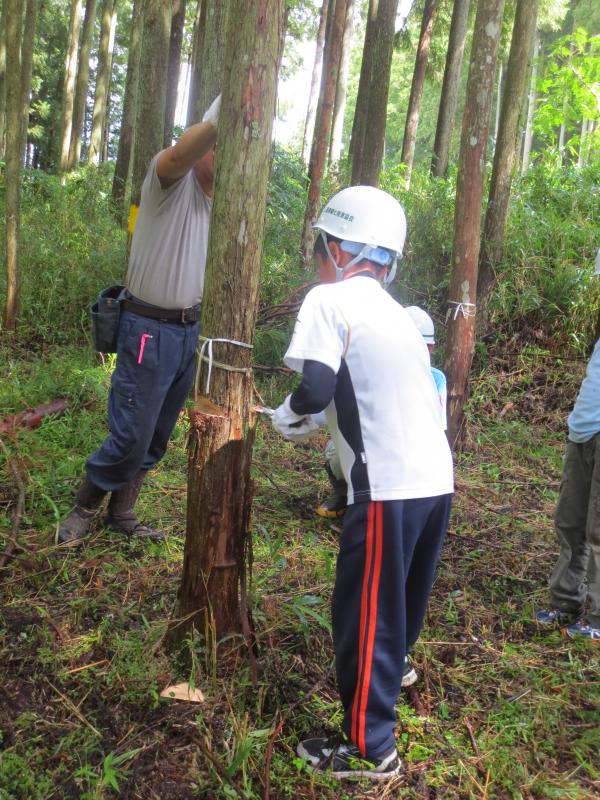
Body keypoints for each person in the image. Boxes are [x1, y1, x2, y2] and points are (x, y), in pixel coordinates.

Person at [271, 186, 454, 781]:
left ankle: (372, 750)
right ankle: (392, 677)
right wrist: (311, 412)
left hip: (388, 487)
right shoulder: (399, 317)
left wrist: (288, 413)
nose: (317, 261)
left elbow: (319, 390)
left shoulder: (329, 300)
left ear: (335, 247)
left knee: (365, 613)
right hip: (434, 481)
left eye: (318, 247)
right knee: (399, 605)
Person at [57, 96, 221, 546]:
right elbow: (182, 153)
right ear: (204, 144)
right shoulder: (168, 182)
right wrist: (220, 115)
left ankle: (122, 512)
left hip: (188, 331)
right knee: (131, 434)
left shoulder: (223, 205)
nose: (219, 158)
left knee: (156, 435)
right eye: (216, 146)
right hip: (149, 329)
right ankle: (83, 506)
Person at [315, 304, 447, 521]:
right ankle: (346, 496)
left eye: (426, 347)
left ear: (431, 348)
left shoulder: (436, 379)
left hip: (412, 462)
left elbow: (437, 430)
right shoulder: (375, 370)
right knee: (336, 452)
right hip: (374, 448)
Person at [535, 337, 600, 641]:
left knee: (598, 530)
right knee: (570, 523)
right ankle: (566, 601)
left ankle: (597, 618)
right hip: (583, 430)